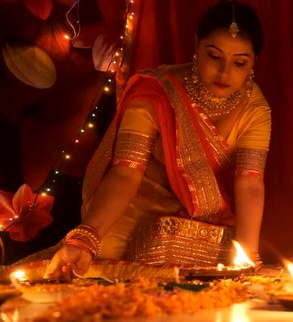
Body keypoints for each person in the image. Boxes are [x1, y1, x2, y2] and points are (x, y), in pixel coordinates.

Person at [44, 1, 270, 278]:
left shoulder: (255, 110)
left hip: (199, 218)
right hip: (136, 204)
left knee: (215, 264)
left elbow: (249, 182)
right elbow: (127, 170)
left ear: (254, 62)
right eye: (214, 56)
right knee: (95, 265)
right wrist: (86, 237)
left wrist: (248, 259)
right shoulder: (156, 91)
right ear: (196, 46)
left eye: (239, 62)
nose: (225, 72)